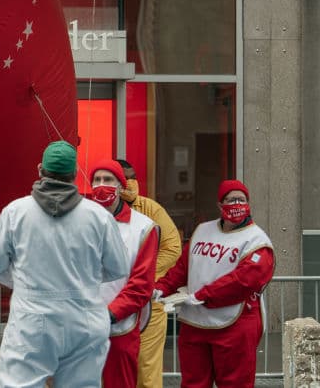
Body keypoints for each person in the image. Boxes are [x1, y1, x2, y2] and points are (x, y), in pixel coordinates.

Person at [0, 140, 130, 388]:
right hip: (85, 317)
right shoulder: (99, 217)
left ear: (40, 169)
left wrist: (22, 281)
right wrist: (85, 278)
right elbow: (118, 267)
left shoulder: (15, 212)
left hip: (32, 318)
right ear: (74, 174)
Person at [154, 179, 274, 388]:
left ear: (249, 203)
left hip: (235, 324)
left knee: (235, 383)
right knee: (193, 383)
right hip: (195, 323)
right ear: (220, 205)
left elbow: (244, 280)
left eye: (241, 199)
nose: (236, 204)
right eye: (230, 200)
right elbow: (183, 267)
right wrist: (162, 287)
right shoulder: (203, 231)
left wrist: (203, 295)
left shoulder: (257, 241)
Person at [89, 160, 159, 388]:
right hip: (80, 325)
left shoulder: (144, 227)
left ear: (121, 186)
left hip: (120, 329)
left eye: (108, 180)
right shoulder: (78, 221)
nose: (102, 185)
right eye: (97, 180)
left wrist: (109, 314)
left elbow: (141, 285)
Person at [115, 159, 182, 388]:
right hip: (110, 304)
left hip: (148, 306)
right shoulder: (95, 210)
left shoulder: (150, 209)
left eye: (133, 176)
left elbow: (173, 247)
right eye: (125, 177)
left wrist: (143, 277)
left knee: (147, 372)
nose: (131, 181)